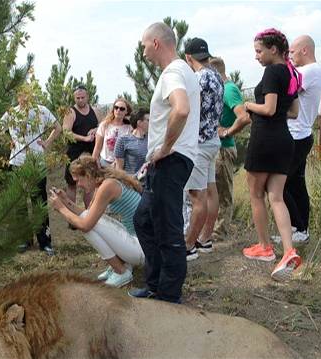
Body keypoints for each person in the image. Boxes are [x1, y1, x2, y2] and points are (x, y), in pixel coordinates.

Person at [129, 22, 199, 303]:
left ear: (156, 43)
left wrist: (165, 147)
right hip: (169, 161)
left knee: (167, 228)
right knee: (144, 220)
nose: (143, 51)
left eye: (144, 45)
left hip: (171, 161)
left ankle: (169, 297)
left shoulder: (173, 72)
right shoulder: (183, 70)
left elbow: (181, 109)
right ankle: (156, 283)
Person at [242, 28, 302, 281]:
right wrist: (273, 111)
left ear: (273, 49)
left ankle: (265, 247)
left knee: (256, 194)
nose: (256, 56)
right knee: (276, 197)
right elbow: (294, 112)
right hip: (284, 140)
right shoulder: (292, 72)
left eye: (259, 51)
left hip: (265, 140)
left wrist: (248, 105)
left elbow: (268, 108)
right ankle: (289, 251)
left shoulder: (271, 71)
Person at [48, 156, 144, 288]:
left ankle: (121, 271)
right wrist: (66, 201)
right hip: (140, 243)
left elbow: (85, 225)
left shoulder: (107, 186)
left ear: (87, 175)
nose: (78, 185)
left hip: (141, 249)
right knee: (88, 219)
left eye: (78, 180)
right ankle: (120, 265)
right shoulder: (104, 183)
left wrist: (61, 208)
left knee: (86, 226)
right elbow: (87, 213)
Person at [271, 35, 321, 244]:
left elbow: (287, 89)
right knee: (295, 185)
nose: (289, 56)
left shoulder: (310, 71)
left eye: (292, 52)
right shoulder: (312, 71)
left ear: (305, 50)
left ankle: (296, 227)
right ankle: (300, 229)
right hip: (300, 134)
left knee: (278, 185)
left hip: (296, 135)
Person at [0, 88, 62, 256]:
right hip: (17, 162)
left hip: (37, 163)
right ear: (18, 97)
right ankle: (23, 239)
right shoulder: (12, 113)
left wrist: (47, 142)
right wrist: (9, 142)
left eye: (27, 94)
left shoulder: (41, 110)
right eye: (21, 95)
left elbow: (58, 127)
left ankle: (45, 241)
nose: (24, 98)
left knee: (38, 202)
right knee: (19, 202)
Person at [182, 38, 224, 261]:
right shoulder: (217, 75)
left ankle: (188, 245)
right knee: (210, 191)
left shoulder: (197, 78)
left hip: (198, 143)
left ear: (188, 57)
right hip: (212, 140)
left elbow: (187, 110)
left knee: (196, 196)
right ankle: (205, 239)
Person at [208, 57, 252, 242]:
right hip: (215, 149)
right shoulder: (220, 90)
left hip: (224, 149)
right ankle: (211, 231)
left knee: (222, 193)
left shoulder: (229, 90)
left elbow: (243, 117)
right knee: (212, 192)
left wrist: (226, 132)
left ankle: (219, 233)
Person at [63, 85, 101, 209]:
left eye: (82, 97)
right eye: (77, 98)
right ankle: (72, 215)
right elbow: (66, 132)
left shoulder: (94, 110)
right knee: (72, 183)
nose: (80, 100)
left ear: (87, 97)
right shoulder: (70, 112)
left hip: (92, 150)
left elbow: (101, 126)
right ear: (74, 98)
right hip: (75, 151)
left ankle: (90, 213)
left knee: (91, 182)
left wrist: (95, 130)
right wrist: (84, 138)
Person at [92, 98, 132, 168]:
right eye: (116, 108)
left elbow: (129, 150)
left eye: (122, 109)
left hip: (121, 164)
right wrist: (94, 162)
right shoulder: (104, 125)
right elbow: (97, 147)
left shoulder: (129, 128)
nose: (118, 110)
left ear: (126, 112)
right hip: (104, 163)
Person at [114, 109, 149, 176]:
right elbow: (119, 170)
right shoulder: (123, 140)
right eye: (148, 120)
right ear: (139, 123)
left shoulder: (150, 140)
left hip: (148, 184)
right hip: (131, 183)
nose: (151, 123)